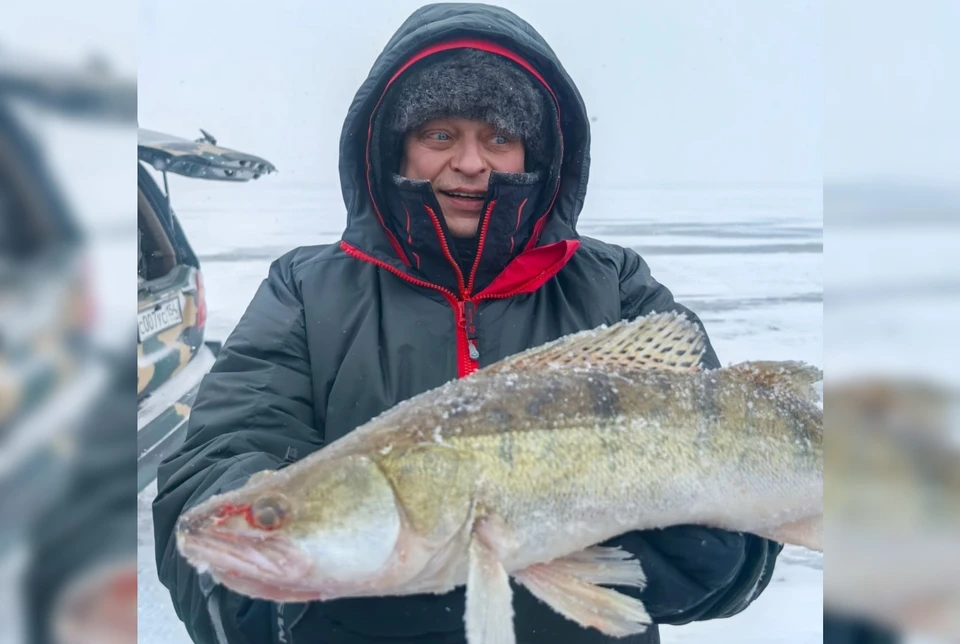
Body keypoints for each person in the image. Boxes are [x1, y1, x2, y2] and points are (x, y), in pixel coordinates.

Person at [153, 3, 783, 643]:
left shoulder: (614, 283)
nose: (471, 163)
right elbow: (213, 467)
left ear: (532, 153)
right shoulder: (305, 290)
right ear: (395, 145)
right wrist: (293, 605)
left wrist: (721, 557)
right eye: (440, 135)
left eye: (499, 138)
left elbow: (745, 447)